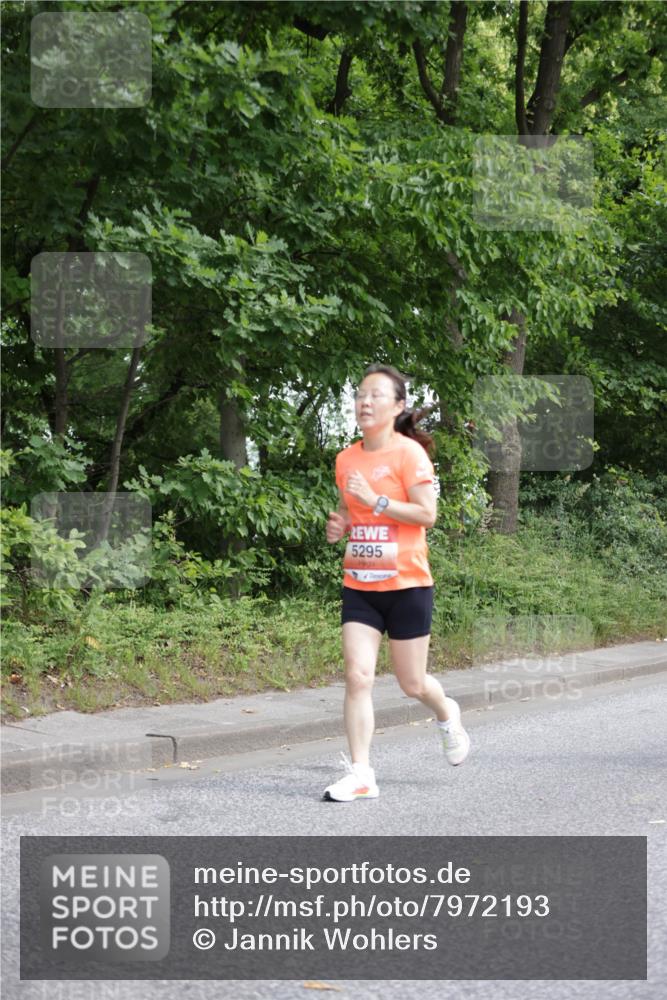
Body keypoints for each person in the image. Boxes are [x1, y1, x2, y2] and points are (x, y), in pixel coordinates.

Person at [323, 363, 470, 802]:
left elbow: (427, 514)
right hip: (361, 584)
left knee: (413, 684)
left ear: (398, 406)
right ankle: (361, 774)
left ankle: (446, 713)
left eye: (375, 395)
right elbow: (350, 510)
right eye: (360, 395)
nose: (365, 402)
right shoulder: (346, 459)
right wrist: (342, 524)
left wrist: (377, 500)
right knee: (357, 676)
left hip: (408, 584)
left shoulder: (410, 455)